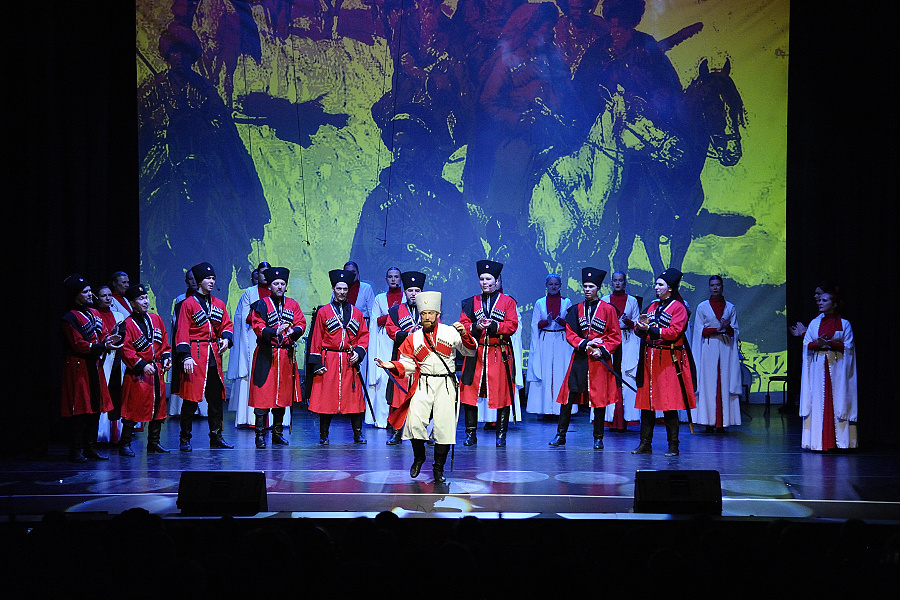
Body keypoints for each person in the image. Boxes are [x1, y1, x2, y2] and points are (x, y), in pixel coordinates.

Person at [375, 291, 478, 483]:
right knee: (414, 423)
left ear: (437, 314)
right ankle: (419, 456)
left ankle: (438, 468)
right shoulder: (413, 338)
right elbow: (408, 364)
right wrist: (392, 365)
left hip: (445, 384)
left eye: (430, 313)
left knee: (444, 427)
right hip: (423, 382)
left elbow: (470, 351)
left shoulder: (450, 332)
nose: (427, 317)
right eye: (424, 314)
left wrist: (465, 335)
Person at [549, 267, 621, 449]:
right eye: (585, 286)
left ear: (598, 288)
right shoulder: (576, 309)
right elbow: (570, 333)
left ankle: (598, 437)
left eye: (591, 286)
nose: (587, 290)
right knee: (568, 397)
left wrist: (602, 350)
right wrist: (585, 343)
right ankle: (561, 435)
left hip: (598, 360)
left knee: (599, 399)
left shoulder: (608, 310)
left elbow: (615, 337)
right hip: (580, 358)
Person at [633, 268, 695, 456]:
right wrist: (641, 327)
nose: (656, 287)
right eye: (656, 284)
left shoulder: (679, 307)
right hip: (649, 360)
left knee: (669, 404)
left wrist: (651, 330)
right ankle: (645, 443)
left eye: (660, 284)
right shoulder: (652, 306)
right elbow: (639, 329)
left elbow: (675, 332)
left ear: (670, 288)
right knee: (647, 404)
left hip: (668, 360)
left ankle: (673, 446)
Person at [60, 274, 122, 461]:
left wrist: (109, 338)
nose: (89, 294)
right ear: (75, 295)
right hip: (79, 367)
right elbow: (78, 344)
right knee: (81, 409)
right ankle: (76, 450)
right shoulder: (70, 318)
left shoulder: (94, 313)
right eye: (85, 292)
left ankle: (91, 447)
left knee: (95, 408)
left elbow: (101, 335)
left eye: (89, 291)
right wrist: (102, 346)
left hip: (94, 365)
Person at [174, 262, 234, 451]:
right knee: (190, 400)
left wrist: (226, 339)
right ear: (199, 281)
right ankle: (185, 438)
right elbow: (182, 331)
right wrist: (185, 356)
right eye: (208, 278)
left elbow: (227, 324)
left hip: (213, 356)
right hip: (195, 355)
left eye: (213, 278)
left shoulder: (219, 303)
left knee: (215, 400)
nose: (211, 281)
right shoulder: (188, 304)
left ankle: (216, 436)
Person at [458, 260, 519, 447]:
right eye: (482, 279)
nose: (485, 282)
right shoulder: (471, 302)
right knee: (469, 392)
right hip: (476, 353)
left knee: (502, 393)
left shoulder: (508, 302)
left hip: (498, 353)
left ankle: (501, 435)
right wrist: (475, 326)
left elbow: (512, 325)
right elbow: (462, 324)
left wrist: (495, 325)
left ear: (497, 281)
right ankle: (470, 433)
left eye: (489, 279)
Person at [307, 269, 371, 444]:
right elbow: (316, 337)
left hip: (349, 361)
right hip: (329, 359)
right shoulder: (323, 312)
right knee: (326, 399)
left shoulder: (357, 313)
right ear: (333, 289)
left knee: (354, 398)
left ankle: (358, 434)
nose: (342, 292)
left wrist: (359, 353)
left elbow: (363, 335)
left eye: (345, 289)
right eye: (338, 288)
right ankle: (324, 435)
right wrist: (317, 363)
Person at [248, 267, 307, 449]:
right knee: (263, 395)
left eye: (282, 283)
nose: (279, 286)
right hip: (267, 354)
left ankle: (277, 434)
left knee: (282, 397)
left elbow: (301, 322)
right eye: (276, 284)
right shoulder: (261, 305)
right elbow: (257, 326)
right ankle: (259, 435)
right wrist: (275, 331)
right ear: (270, 286)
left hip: (285, 357)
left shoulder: (293, 304)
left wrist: (294, 331)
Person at [800, 287, 857, 451]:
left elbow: (849, 346)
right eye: (820, 300)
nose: (820, 302)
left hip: (837, 367)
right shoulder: (814, 323)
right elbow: (807, 343)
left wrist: (831, 343)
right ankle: (819, 442)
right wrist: (818, 344)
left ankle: (841, 442)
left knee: (838, 399)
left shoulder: (844, 324)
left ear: (834, 304)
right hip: (819, 367)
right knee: (818, 400)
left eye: (824, 300)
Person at [118, 283, 172, 456]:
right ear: (132, 303)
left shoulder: (156, 319)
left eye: (146, 297)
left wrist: (166, 358)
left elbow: (164, 343)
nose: (145, 301)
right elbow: (126, 350)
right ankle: (125, 444)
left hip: (156, 371)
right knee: (133, 409)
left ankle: (154, 443)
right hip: (138, 375)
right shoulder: (127, 324)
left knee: (158, 408)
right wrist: (142, 364)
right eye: (140, 299)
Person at [691, 275, 742, 431]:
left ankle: (723, 421)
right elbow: (699, 330)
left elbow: (735, 331)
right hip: (709, 349)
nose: (715, 288)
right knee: (709, 383)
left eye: (717, 285)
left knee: (724, 382)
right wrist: (717, 329)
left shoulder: (730, 307)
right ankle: (708, 421)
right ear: (709, 287)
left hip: (725, 348)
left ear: (722, 287)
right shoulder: (702, 307)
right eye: (712, 285)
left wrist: (727, 328)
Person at [226, 261, 272, 428]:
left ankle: (273, 419)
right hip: (253, 337)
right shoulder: (249, 292)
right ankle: (250, 418)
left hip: (273, 338)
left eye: (267, 272)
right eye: (261, 272)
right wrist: (257, 317)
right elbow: (241, 316)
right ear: (257, 274)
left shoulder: (276, 291)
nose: (264, 275)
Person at [383, 271, 427, 444]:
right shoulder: (396, 311)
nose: (413, 294)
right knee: (398, 396)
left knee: (424, 395)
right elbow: (390, 330)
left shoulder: (428, 309)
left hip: (423, 358)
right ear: (405, 292)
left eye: (417, 290)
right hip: (402, 357)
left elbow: (436, 328)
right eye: (410, 291)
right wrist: (408, 333)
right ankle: (396, 431)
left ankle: (424, 431)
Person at [526, 274, 574, 419]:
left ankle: (560, 409)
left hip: (561, 340)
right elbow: (534, 324)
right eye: (551, 284)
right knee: (545, 372)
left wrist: (561, 321)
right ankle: (545, 408)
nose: (553, 287)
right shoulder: (540, 303)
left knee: (560, 372)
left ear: (560, 285)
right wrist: (546, 322)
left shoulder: (566, 302)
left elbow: (571, 324)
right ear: (546, 285)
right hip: (545, 340)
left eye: (556, 284)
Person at [602, 270, 641, 430]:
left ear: (625, 282)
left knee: (627, 375)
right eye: (615, 280)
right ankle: (610, 418)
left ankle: (627, 417)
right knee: (610, 374)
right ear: (611, 282)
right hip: (611, 340)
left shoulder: (632, 301)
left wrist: (629, 322)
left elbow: (638, 324)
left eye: (620, 280)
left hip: (627, 340)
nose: (617, 283)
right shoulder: (605, 300)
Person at [366, 267, 404, 429]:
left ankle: (400, 419)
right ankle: (382, 418)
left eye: (396, 276)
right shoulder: (380, 298)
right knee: (384, 377)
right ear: (386, 279)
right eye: (390, 276)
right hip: (384, 340)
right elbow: (375, 321)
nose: (393, 279)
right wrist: (392, 315)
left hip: (403, 339)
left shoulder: (407, 297)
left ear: (400, 279)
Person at [93, 284, 126, 444]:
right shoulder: (94, 315)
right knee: (102, 393)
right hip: (102, 358)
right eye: (103, 296)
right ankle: (100, 434)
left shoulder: (119, 315)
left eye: (109, 295)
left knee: (116, 392)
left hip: (117, 358)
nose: (107, 298)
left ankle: (116, 434)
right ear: (97, 298)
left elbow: (124, 336)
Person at [167, 267, 201, 417]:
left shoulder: (206, 299)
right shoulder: (180, 299)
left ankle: (202, 409)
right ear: (186, 281)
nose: (193, 281)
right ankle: (180, 409)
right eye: (190, 279)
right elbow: (176, 323)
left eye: (195, 278)